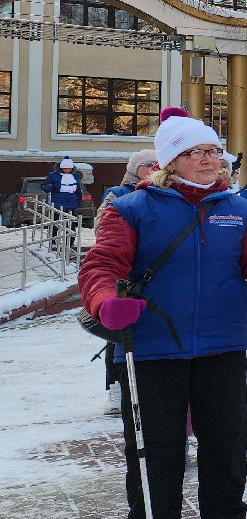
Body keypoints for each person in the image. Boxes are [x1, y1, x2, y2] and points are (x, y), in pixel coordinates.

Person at [77, 109, 247, 519]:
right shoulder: (130, 208)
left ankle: (225, 517)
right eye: (197, 152)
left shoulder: (236, 209)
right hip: (154, 346)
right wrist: (104, 301)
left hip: (223, 344)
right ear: (172, 160)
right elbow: (101, 266)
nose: (210, 159)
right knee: (157, 445)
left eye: (214, 151)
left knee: (226, 439)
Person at [95, 148, 162, 415]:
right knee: (118, 336)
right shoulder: (119, 194)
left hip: (151, 273)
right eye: (148, 164)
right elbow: (102, 225)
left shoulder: (163, 192)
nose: (153, 167)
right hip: (125, 274)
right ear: (136, 168)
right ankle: (115, 387)